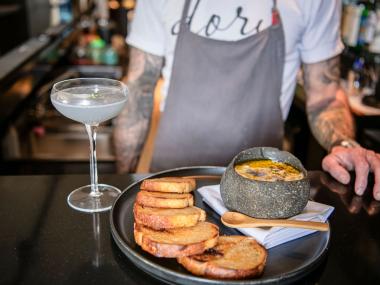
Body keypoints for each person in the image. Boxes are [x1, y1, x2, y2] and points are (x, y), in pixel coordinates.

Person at [113, 0, 380, 201]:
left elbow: (326, 95)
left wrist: (344, 143)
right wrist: (121, 182)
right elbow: (138, 89)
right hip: (172, 185)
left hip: (262, 191)